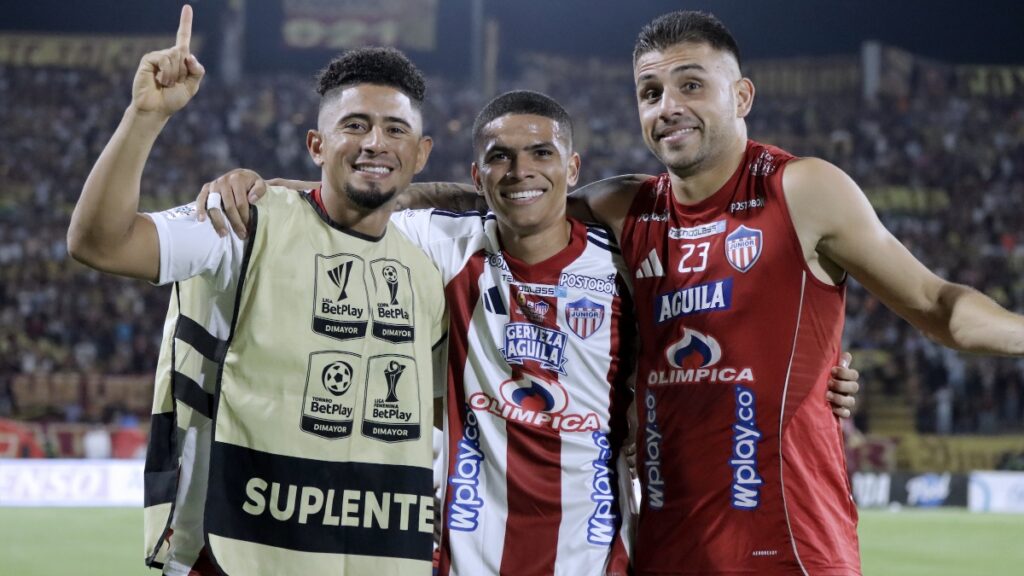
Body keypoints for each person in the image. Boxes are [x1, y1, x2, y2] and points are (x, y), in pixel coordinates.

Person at [197, 90, 863, 574]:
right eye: (500, 158)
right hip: (465, 553)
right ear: (477, 172)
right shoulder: (448, 243)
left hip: (595, 555)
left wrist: (823, 374)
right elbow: (346, 207)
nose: (521, 172)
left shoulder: (624, 262)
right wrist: (267, 189)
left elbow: (717, 337)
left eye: (541, 154)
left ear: (572, 169)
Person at [565, 10, 1024, 575]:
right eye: (650, 91)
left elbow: (936, 306)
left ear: (741, 96)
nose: (668, 107)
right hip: (667, 550)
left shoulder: (802, 189)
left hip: (792, 549)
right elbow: (507, 203)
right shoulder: (624, 208)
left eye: (691, 84)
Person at [66, 6, 445, 576]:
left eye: (396, 129)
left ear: (421, 153)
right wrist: (145, 117)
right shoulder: (242, 220)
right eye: (355, 125)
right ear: (317, 144)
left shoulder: (426, 269)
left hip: (371, 555)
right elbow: (100, 242)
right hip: (232, 552)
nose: (375, 142)